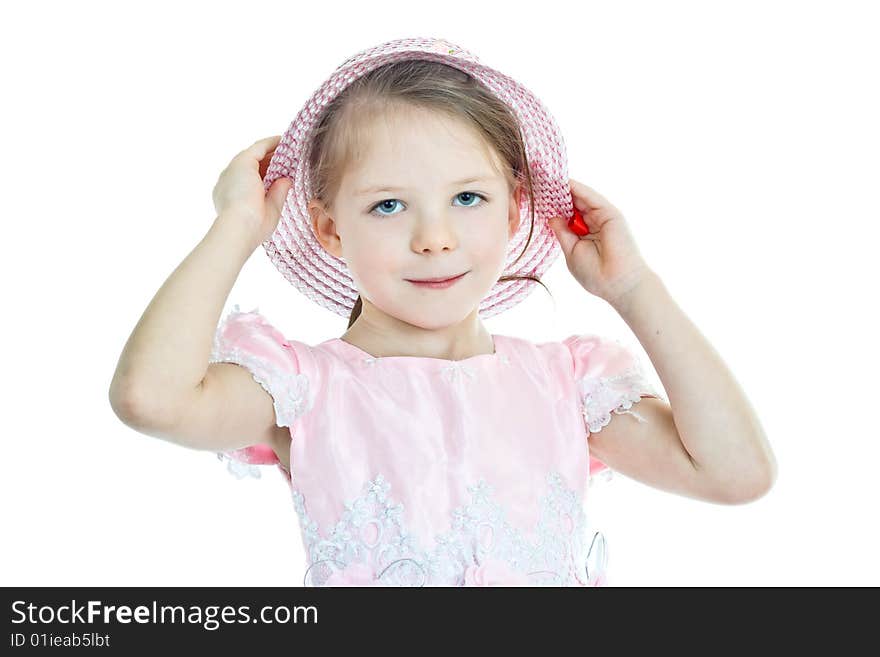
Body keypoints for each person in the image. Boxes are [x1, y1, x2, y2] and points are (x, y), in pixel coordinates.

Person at [108, 37, 777, 587]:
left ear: (515, 207)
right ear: (330, 228)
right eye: (388, 205)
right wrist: (236, 226)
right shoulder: (306, 387)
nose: (435, 237)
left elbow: (736, 471)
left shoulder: (565, 385)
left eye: (467, 198)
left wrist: (634, 287)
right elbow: (150, 398)